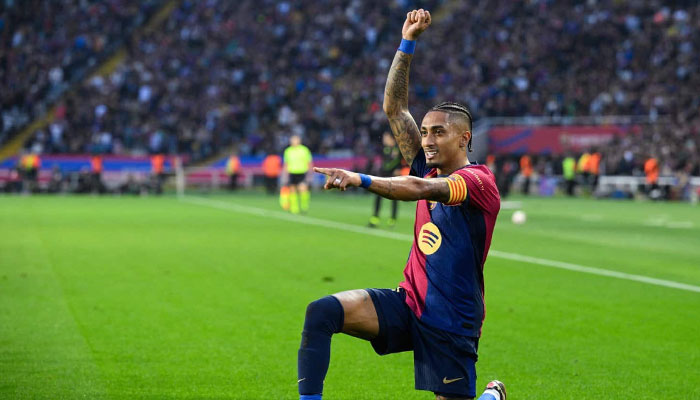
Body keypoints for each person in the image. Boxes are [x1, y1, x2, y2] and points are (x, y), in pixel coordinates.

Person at [297, 9, 505, 400]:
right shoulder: (428, 166)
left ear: (464, 139)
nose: (427, 140)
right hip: (408, 305)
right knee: (321, 311)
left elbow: (419, 188)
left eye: (438, 132)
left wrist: (359, 178)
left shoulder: (478, 183)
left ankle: (493, 396)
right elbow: (394, 108)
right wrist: (406, 43)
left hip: (452, 321)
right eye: (425, 132)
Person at [368, 132, 402, 228]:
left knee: (394, 198)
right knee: (378, 196)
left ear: (391, 138)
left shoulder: (398, 149)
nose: (384, 139)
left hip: (393, 177)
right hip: (384, 176)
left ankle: (392, 220)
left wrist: (397, 169)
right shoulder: (385, 149)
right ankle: (374, 219)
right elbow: (385, 163)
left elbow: (397, 162)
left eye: (385, 137)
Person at [283, 135, 313, 214]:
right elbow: (286, 164)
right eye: (292, 140)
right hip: (292, 172)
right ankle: (294, 208)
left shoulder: (304, 150)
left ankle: (304, 206)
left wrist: (310, 173)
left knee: (302, 189)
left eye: (295, 140)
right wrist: (285, 175)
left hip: (302, 172)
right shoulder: (288, 151)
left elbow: (309, 162)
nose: (294, 142)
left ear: (299, 141)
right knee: (292, 190)